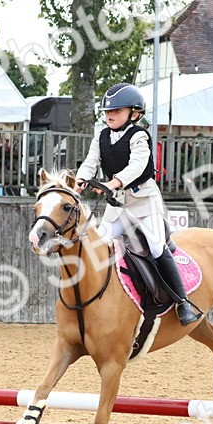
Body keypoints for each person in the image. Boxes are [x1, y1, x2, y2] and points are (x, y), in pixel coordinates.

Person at [76, 82, 201, 325]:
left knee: (155, 247)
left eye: (117, 111)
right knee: (98, 241)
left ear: (134, 114)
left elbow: (138, 166)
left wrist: (114, 182)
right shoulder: (100, 136)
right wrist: (80, 178)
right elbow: (91, 162)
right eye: (107, 112)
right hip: (118, 207)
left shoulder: (139, 135)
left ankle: (183, 303)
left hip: (144, 204)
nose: (110, 115)